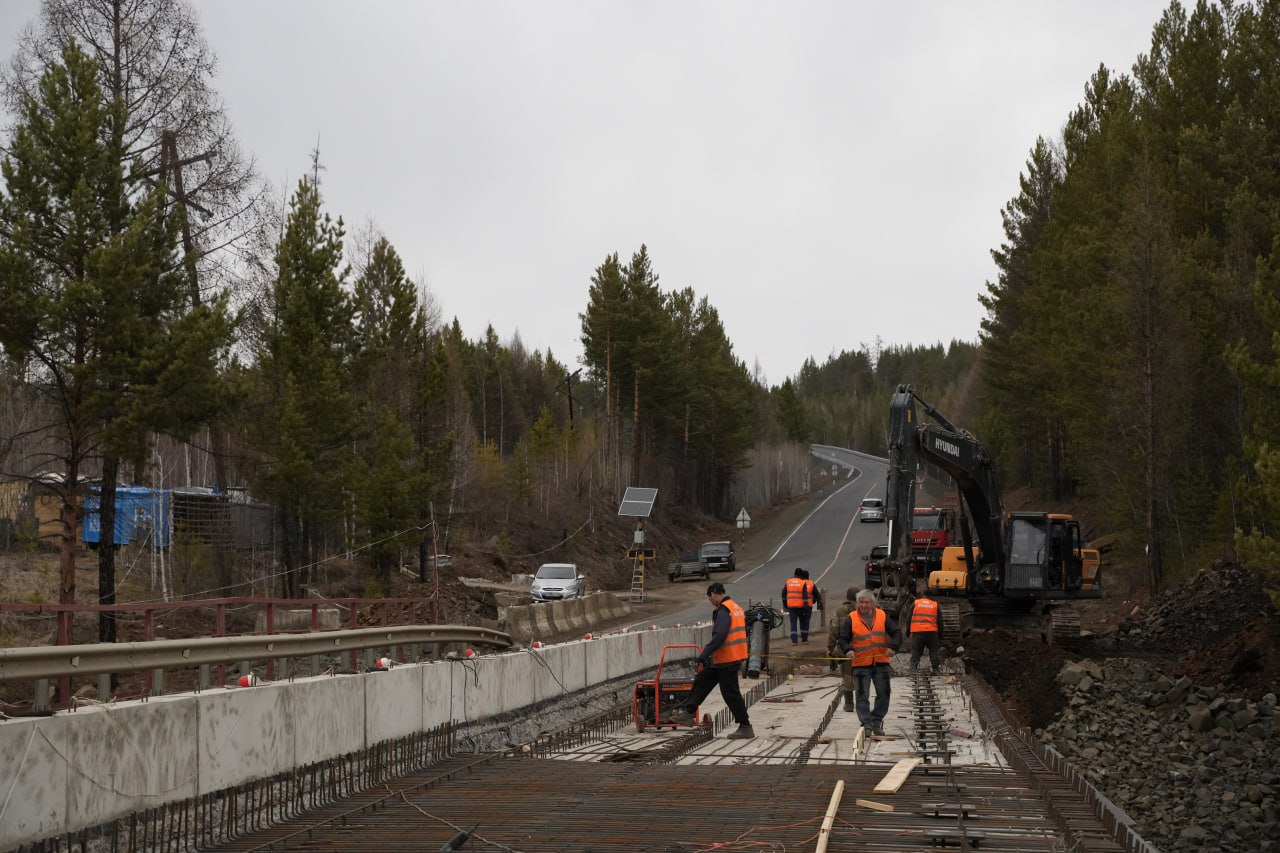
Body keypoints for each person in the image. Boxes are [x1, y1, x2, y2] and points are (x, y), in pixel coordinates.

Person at [668, 582, 754, 739]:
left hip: (728, 659)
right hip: (724, 658)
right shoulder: (736, 608)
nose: (711, 602)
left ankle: (746, 726)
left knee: (730, 693)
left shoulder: (724, 610)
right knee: (702, 680)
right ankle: (688, 712)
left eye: (710, 599)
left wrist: (705, 653)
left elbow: (720, 635)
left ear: (714, 594)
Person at [837, 589, 902, 735]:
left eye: (867, 602)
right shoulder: (851, 618)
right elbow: (842, 638)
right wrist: (848, 650)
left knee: (884, 693)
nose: (864, 605)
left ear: (872, 603)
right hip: (861, 664)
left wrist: (893, 647)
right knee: (862, 695)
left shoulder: (882, 615)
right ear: (857, 603)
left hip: (881, 662)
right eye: (861, 602)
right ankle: (866, 723)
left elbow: (896, 632)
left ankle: (876, 721)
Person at [826, 587, 858, 711]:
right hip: (861, 649)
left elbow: (833, 630)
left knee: (847, 677)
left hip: (844, 650)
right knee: (860, 677)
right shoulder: (863, 610)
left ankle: (849, 704)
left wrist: (830, 648)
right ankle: (861, 703)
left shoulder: (840, 611)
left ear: (846, 596)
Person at [904, 581, 942, 673]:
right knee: (933, 651)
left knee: (916, 651)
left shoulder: (915, 603)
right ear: (931, 596)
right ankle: (936, 669)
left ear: (923, 595)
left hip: (918, 633)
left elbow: (909, 618)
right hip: (932, 633)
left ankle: (913, 669)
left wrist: (908, 632)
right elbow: (940, 622)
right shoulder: (935, 605)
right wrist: (940, 635)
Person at [782, 568, 813, 643]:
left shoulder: (788, 582)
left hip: (791, 606)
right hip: (801, 606)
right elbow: (805, 596)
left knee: (793, 623)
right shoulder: (802, 583)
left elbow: (783, 594)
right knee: (803, 622)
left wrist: (785, 604)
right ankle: (804, 639)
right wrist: (806, 607)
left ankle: (794, 641)